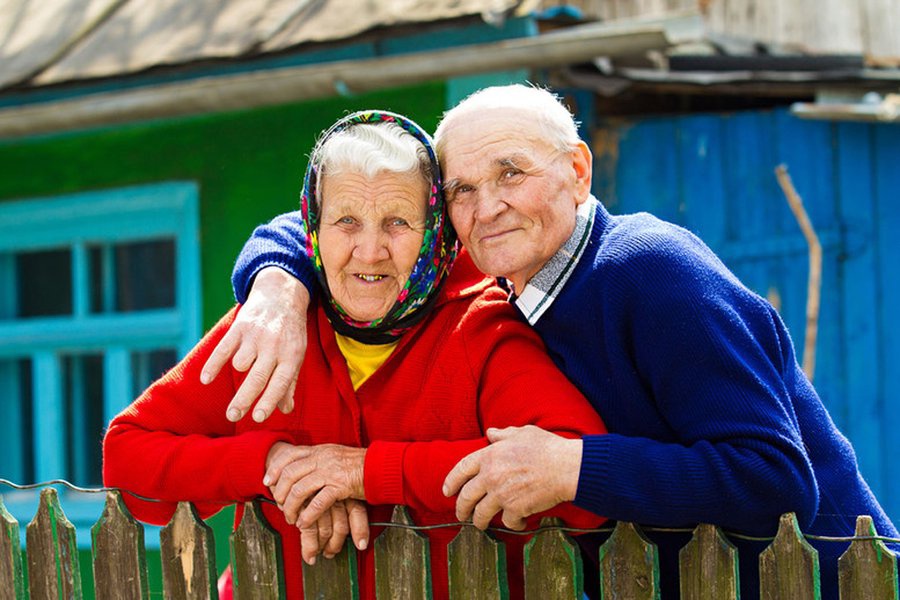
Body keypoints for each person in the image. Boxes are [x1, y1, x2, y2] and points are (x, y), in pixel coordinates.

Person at [211, 86, 899, 599]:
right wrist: (278, 280)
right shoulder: (505, 270)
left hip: (829, 581)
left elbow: (774, 479)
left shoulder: (652, 271)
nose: (488, 205)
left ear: (578, 170)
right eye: (462, 190)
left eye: (511, 173)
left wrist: (574, 468)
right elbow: (345, 218)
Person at [102, 110, 608, 600]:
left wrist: (365, 473)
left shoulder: (480, 329)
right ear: (312, 229)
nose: (369, 251)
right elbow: (126, 461)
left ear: (435, 231)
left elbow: (581, 484)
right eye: (346, 221)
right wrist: (279, 469)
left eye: (397, 222)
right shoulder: (274, 327)